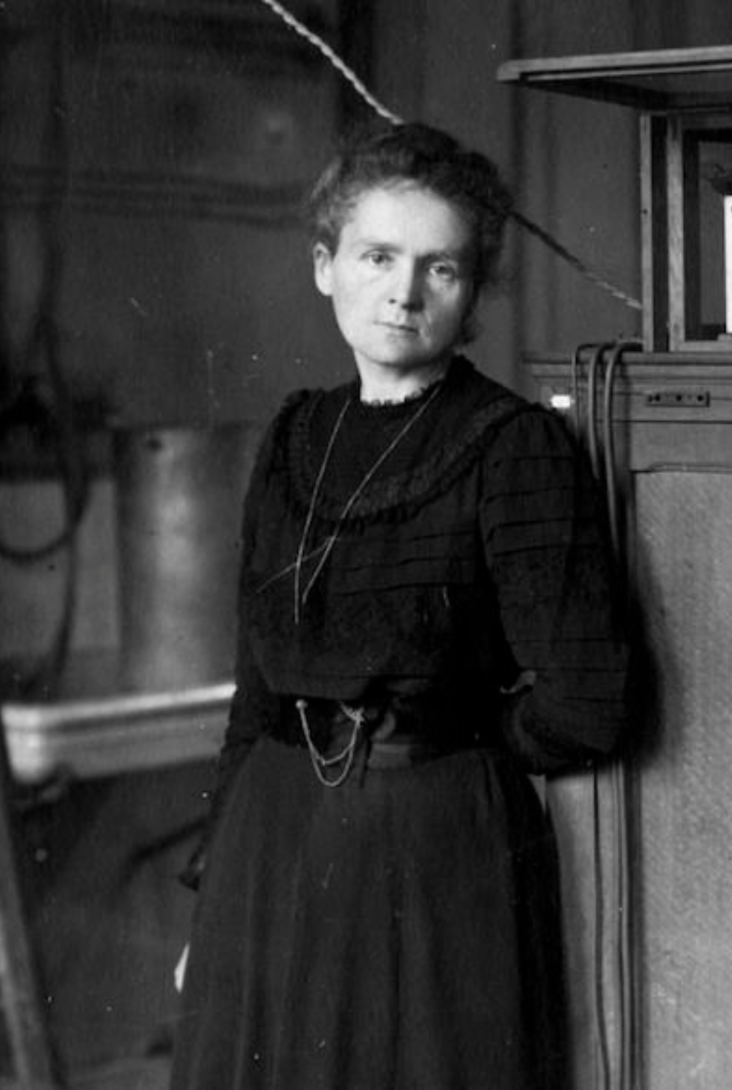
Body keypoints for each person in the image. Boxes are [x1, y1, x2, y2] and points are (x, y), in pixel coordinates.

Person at [169, 121, 631, 1090]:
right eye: (377, 257)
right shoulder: (294, 436)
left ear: (472, 294)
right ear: (325, 266)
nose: (404, 292)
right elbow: (256, 695)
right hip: (270, 849)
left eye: (441, 268)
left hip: (431, 859)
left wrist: (456, 737)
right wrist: (213, 898)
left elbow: (591, 699)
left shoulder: (512, 447)